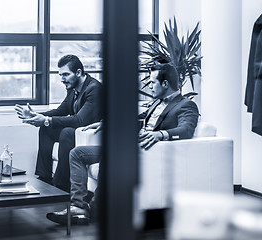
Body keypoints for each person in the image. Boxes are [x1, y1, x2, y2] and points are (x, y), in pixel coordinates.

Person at [46, 63, 200, 225]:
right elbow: (138, 118)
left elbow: (186, 130)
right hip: (127, 147)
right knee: (77, 153)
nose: (150, 87)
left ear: (165, 84)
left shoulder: (186, 105)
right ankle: (79, 206)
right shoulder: (157, 102)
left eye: (153, 82)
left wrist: (160, 134)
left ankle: (95, 208)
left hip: (146, 152)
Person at [15, 54, 102, 191]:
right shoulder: (73, 87)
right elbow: (62, 110)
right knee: (46, 129)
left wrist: (47, 120)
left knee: (66, 133)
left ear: (78, 72)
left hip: (91, 135)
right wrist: (37, 116)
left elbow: (80, 120)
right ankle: (44, 179)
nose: (62, 79)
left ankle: (62, 186)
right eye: (60, 75)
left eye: (66, 75)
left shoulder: (94, 88)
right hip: (78, 131)